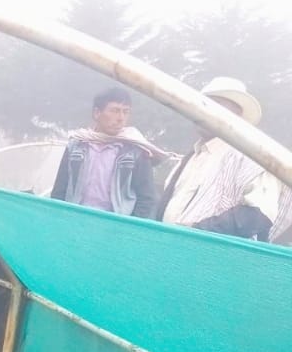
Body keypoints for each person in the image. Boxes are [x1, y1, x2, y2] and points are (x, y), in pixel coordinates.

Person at [158, 77, 283, 241]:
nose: (204, 114)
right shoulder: (191, 157)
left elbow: (259, 214)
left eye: (215, 108)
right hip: (170, 249)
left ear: (236, 117)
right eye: (202, 107)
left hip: (216, 257)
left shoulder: (252, 156)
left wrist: (200, 231)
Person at [51, 87, 168, 218]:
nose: (120, 118)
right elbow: (60, 190)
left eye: (126, 112)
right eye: (115, 111)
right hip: (75, 218)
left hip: (114, 224)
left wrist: (129, 230)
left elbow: (147, 198)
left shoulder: (136, 151)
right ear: (97, 113)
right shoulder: (77, 145)